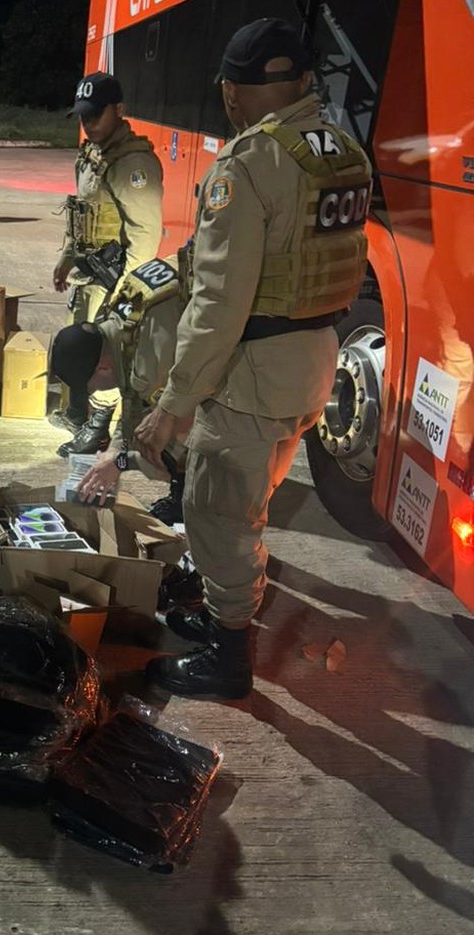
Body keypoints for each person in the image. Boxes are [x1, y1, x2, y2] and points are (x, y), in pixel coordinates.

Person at [133, 18, 372, 700]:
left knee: (218, 513)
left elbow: (217, 305)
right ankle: (221, 609)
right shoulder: (340, 152)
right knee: (251, 498)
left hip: (254, 373)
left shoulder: (247, 167)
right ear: (299, 82)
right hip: (317, 360)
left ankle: (228, 658)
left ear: (234, 93)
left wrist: (172, 406)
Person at [51, 72, 164, 461]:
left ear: (119, 111)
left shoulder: (133, 163)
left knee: (105, 355)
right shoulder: (92, 154)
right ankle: (82, 412)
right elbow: (81, 214)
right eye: (83, 117)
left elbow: (145, 236)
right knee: (79, 344)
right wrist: (66, 256)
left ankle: (99, 429)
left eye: (95, 116)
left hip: (114, 276)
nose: (88, 124)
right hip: (87, 269)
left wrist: (126, 296)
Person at [49, 255, 188, 523]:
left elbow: (167, 439)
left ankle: (189, 497)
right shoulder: (120, 323)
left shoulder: (151, 361)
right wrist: (114, 450)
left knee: (164, 441)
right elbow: (130, 401)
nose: (96, 394)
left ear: (102, 367)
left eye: (92, 388)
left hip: (252, 380)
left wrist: (121, 463)